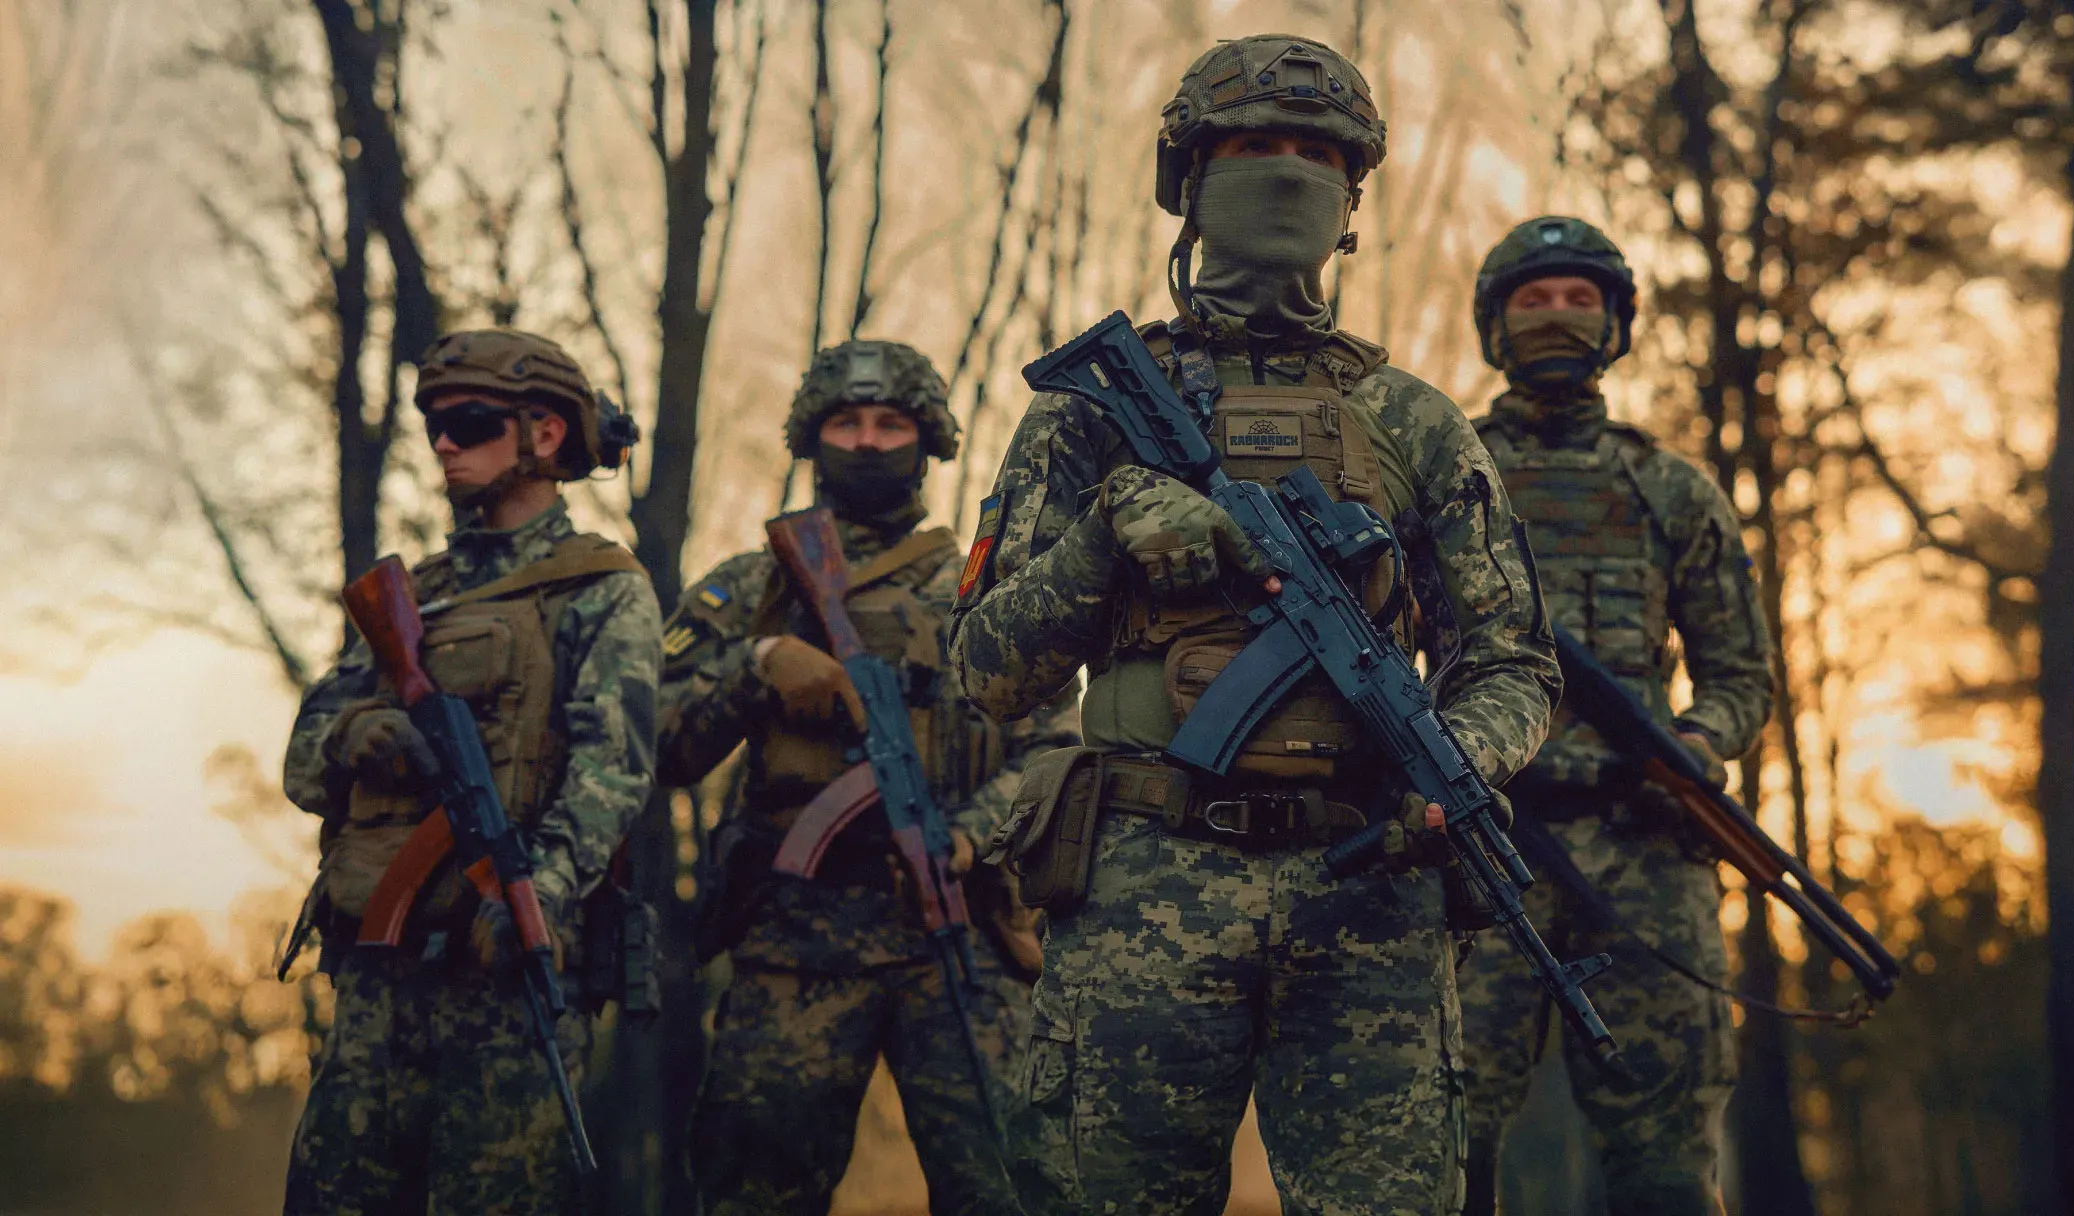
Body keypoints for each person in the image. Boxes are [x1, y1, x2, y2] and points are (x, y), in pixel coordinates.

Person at [948, 35, 1560, 1214]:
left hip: (1371, 889)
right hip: (1140, 886)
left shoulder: (1415, 422)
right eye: (1251, 148)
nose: (1285, 173)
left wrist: (1466, 760)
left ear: (1350, 202)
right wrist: (1109, 529)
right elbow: (982, 671)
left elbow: (1511, 660)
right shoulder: (1092, 419)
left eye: (1315, 153)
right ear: (1189, 180)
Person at [659, 339, 1080, 1216]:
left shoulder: (985, 589)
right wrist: (756, 663)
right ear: (813, 439)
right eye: (845, 422)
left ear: (928, 442)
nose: (867, 441)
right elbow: (655, 743)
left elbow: (1056, 748)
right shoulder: (752, 590)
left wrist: (968, 834)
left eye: (890, 423)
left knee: (1010, 1188)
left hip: (962, 937)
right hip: (794, 945)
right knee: (753, 1191)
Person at [280, 328, 661, 1215]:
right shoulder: (412, 599)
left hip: (508, 984)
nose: (445, 443)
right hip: (376, 983)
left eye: (472, 423)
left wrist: (540, 895)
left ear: (547, 436)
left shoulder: (602, 592)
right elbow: (303, 765)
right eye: (435, 426)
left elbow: (613, 774)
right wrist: (360, 738)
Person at [1455, 216, 1775, 1215]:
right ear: (1496, 326)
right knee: (1437, 1138)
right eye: (1534, 298)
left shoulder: (1670, 488)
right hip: (1478, 843)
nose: (1557, 314)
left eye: (1578, 296)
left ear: (1616, 322)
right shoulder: (1441, 474)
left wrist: (1696, 742)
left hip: (1644, 849)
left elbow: (1739, 673)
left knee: (1666, 1154)